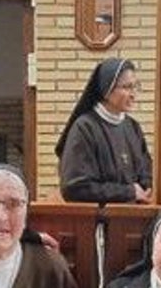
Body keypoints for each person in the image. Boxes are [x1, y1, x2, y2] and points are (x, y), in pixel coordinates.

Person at [56, 58, 153, 203]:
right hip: (98, 220)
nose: (133, 94)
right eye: (126, 87)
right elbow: (74, 188)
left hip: (134, 217)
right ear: (106, 90)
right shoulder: (85, 128)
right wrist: (128, 192)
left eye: (135, 86)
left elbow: (146, 169)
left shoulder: (133, 127)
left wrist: (147, 186)